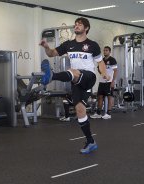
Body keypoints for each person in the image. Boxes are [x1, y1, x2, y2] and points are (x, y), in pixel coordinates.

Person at [39, 17, 110, 154]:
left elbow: (100, 62)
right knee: (80, 111)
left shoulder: (92, 45)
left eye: (80, 25)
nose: (76, 26)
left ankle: (52, 76)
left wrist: (104, 73)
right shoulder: (68, 44)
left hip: (89, 77)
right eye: (76, 24)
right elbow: (52, 53)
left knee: (73, 71)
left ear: (86, 28)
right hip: (76, 81)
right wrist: (46, 47)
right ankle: (91, 141)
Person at [90, 46, 118, 119]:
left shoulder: (112, 60)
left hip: (109, 81)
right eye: (104, 50)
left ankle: (108, 113)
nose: (105, 52)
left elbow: (115, 71)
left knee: (110, 97)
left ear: (109, 52)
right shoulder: (101, 60)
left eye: (106, 50)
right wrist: (102, 74)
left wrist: (113, 81)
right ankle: (98, 113)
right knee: (100, 97)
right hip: (102, 81)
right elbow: (99, 69)